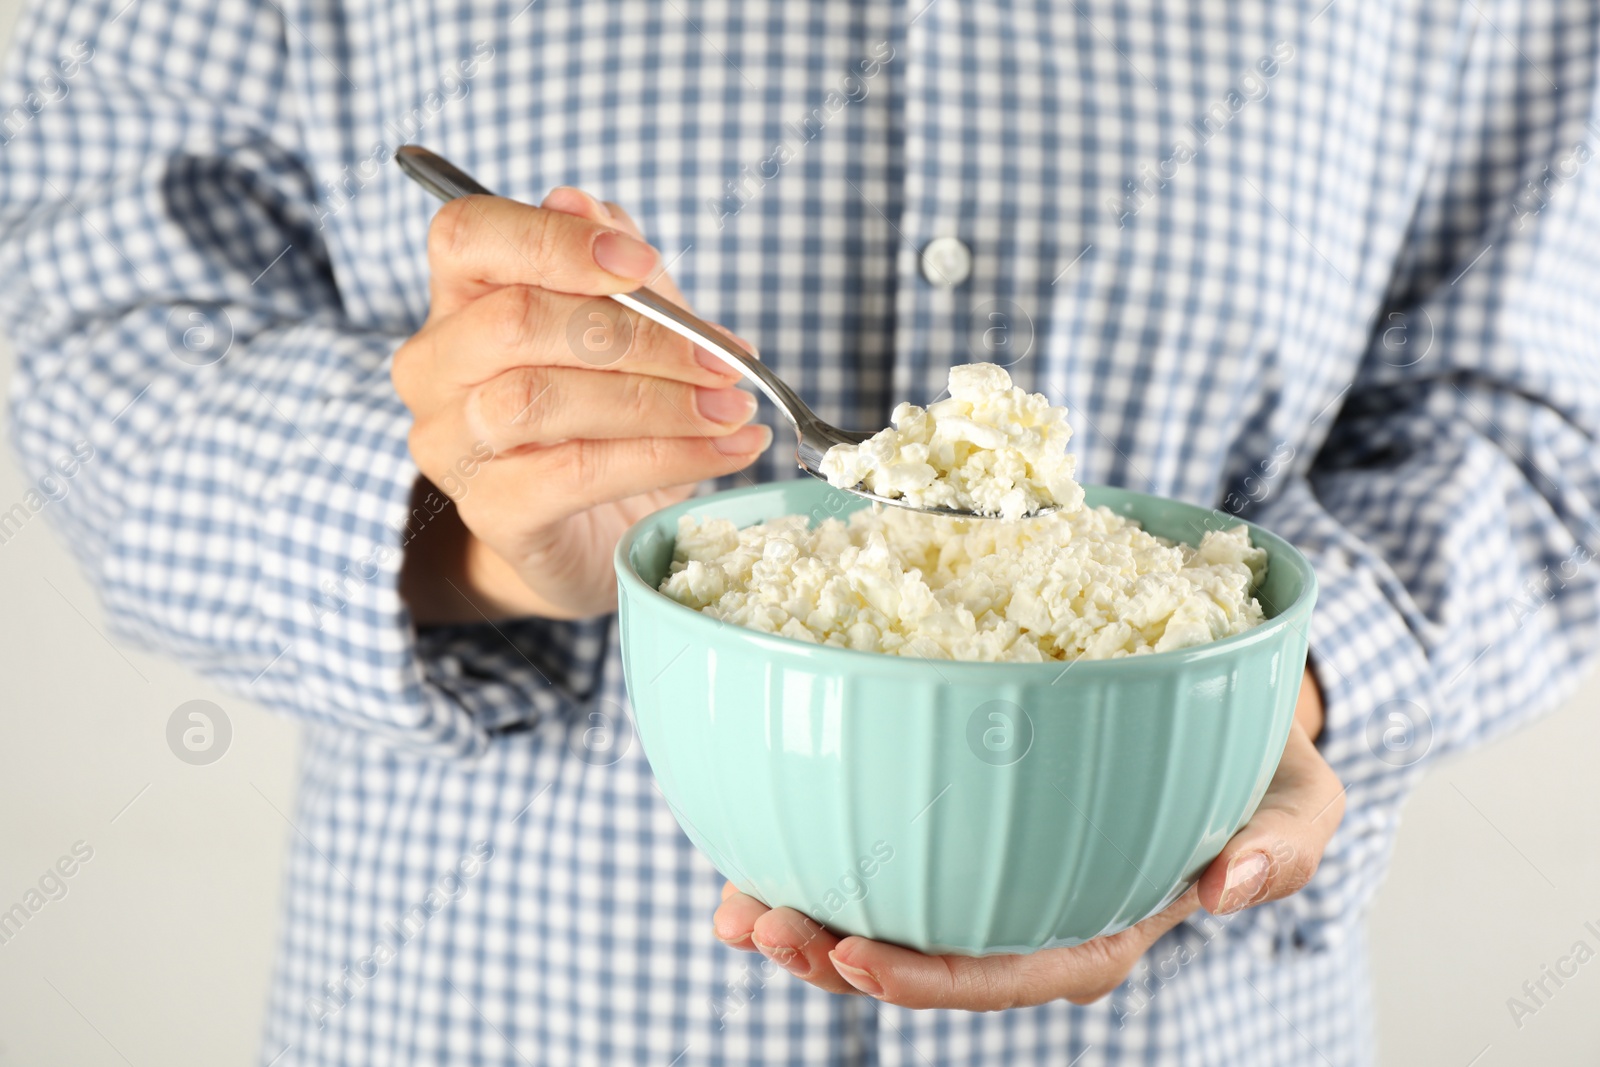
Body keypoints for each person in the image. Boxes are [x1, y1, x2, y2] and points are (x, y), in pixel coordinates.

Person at [2, 0, 1596, 1064]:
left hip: (1204, 1012)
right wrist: (464, 520)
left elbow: (1547, 418)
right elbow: (84, 306)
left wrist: (1257, 704)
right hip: (489, 1010)